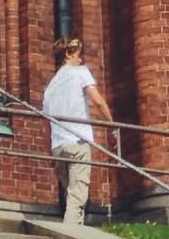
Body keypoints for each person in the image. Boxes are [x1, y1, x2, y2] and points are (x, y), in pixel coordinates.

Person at [41, 34, 112, 228]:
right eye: (78, 55)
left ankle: (76, 231)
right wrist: (112, 124)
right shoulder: (80, 72)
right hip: (77, 143)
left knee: (72, 194)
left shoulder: (50, 89)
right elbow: (97, 101)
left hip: (58, 148)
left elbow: (46, 126)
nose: (81, 60)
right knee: (77, 196)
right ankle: (68, 233)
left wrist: (50, 154)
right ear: (68, 55)